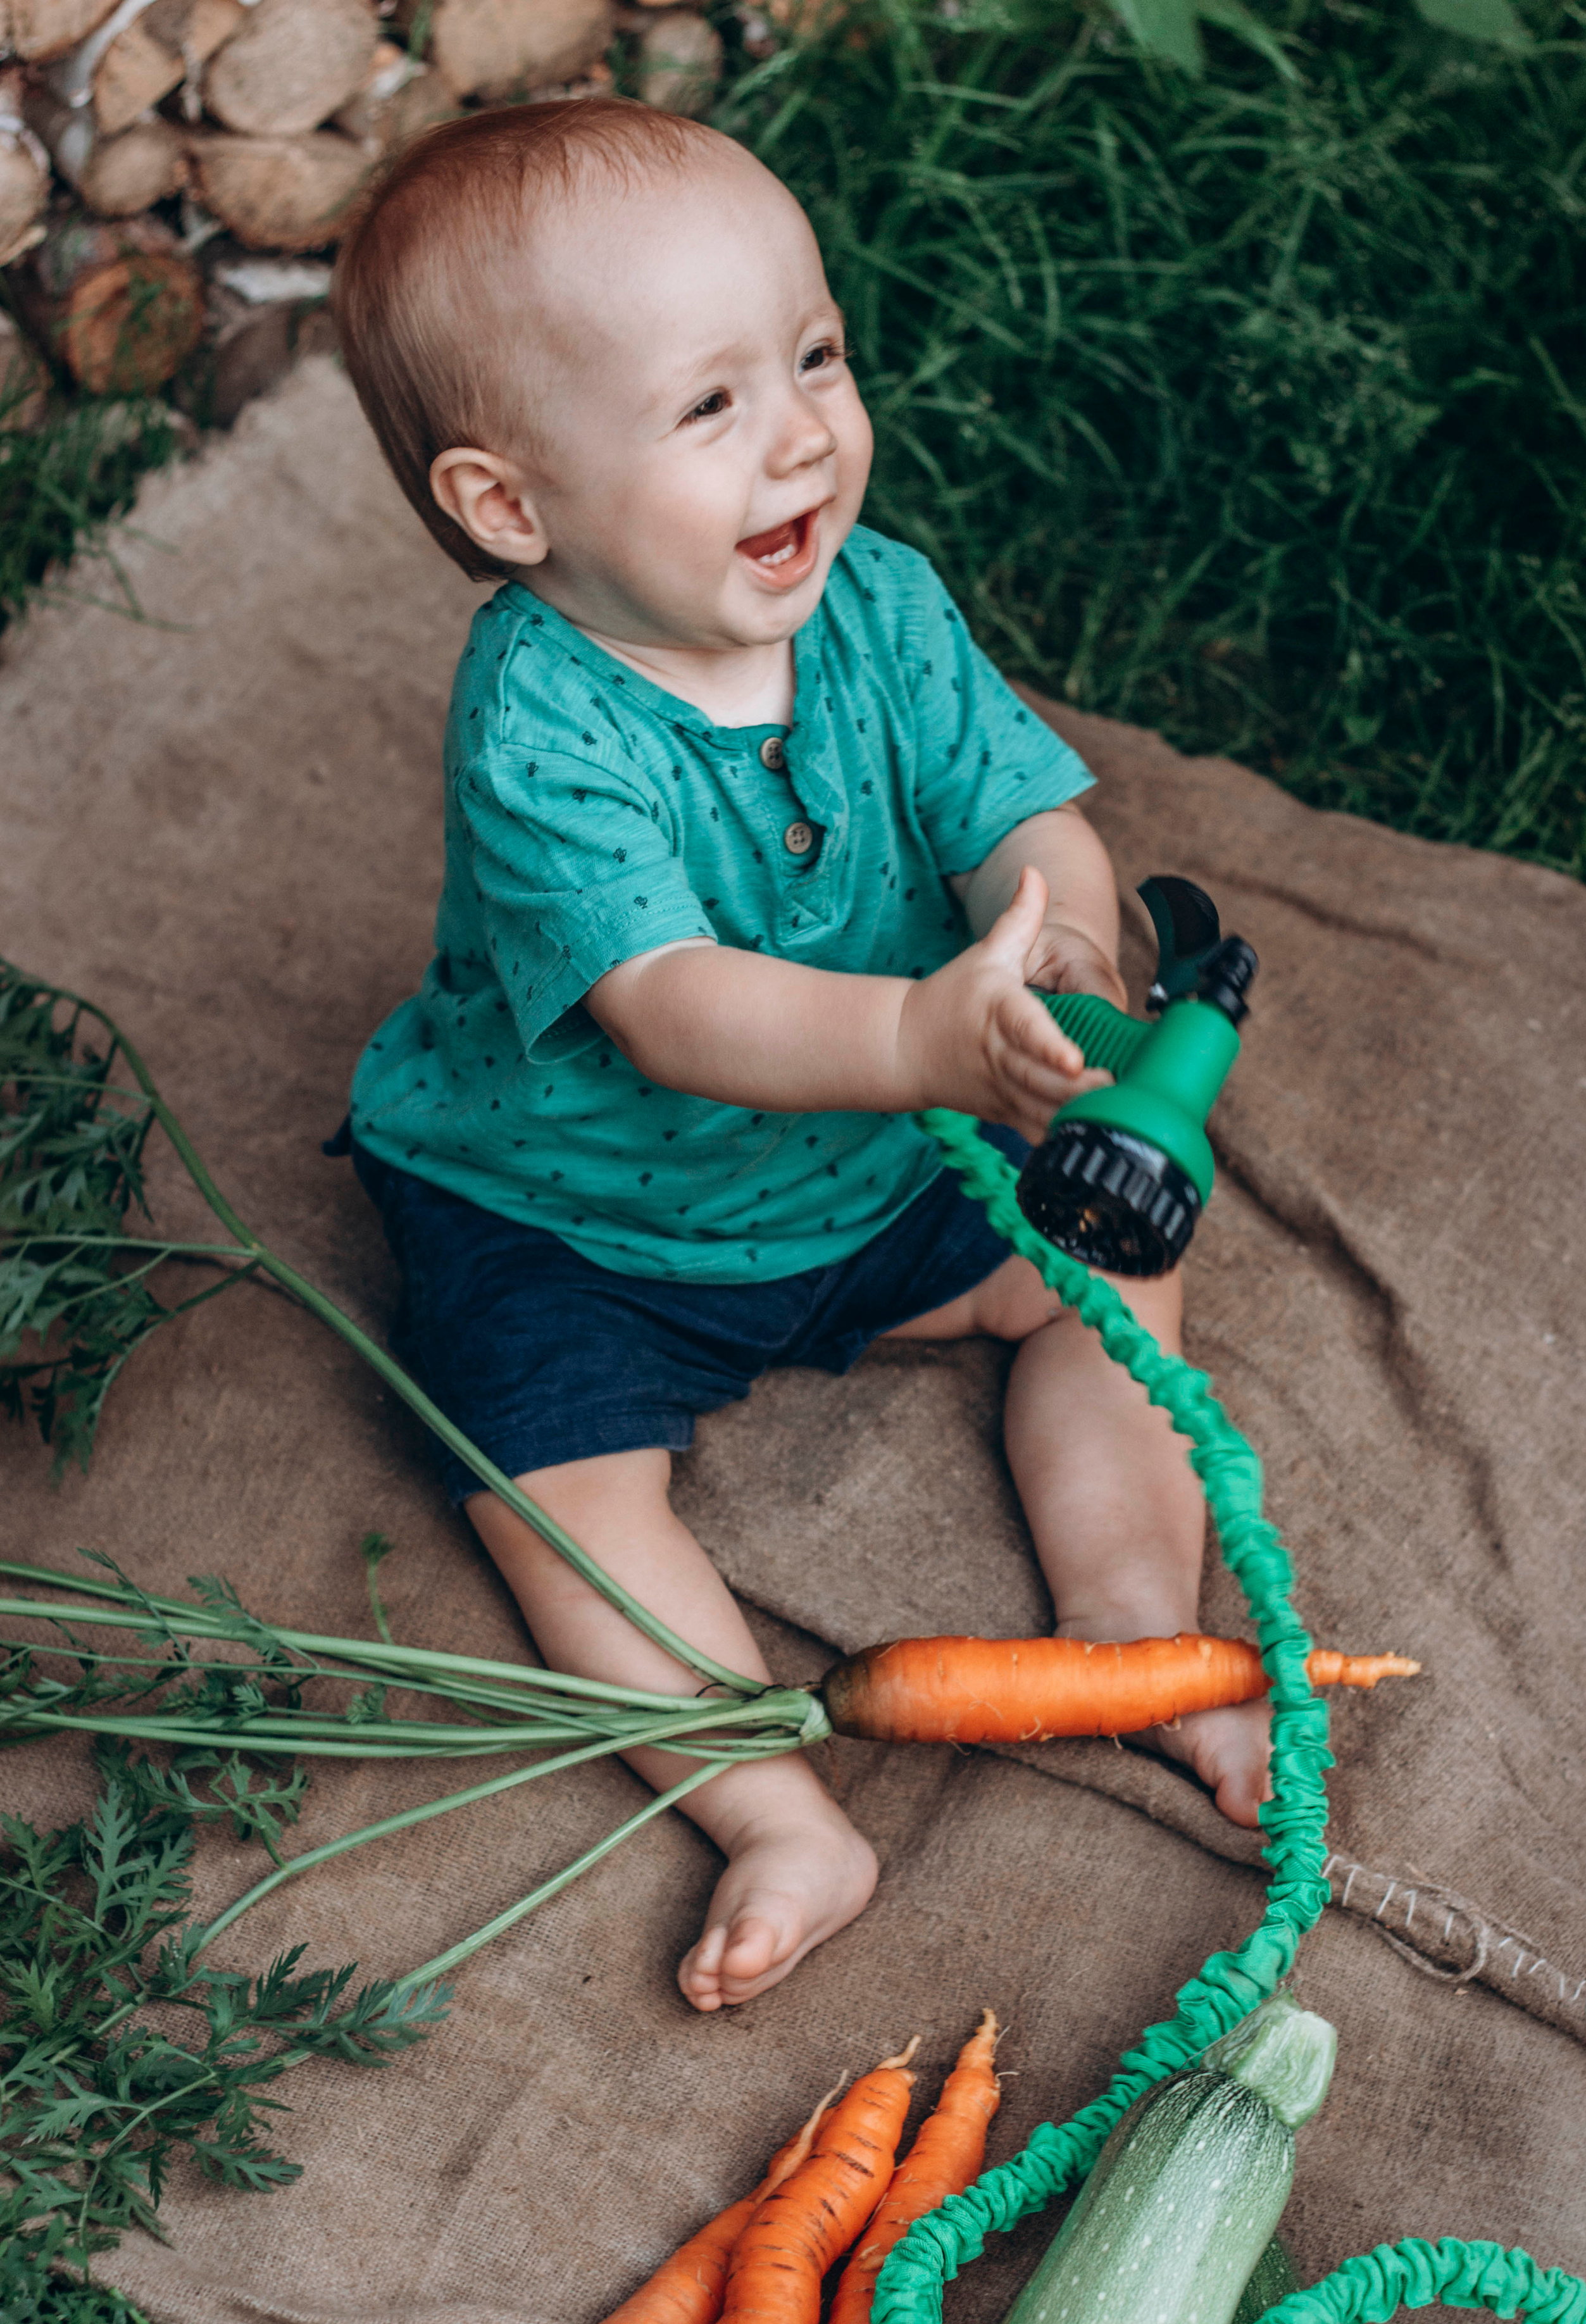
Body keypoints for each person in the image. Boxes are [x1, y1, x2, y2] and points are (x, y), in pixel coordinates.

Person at [330, 96, 1269, 2014]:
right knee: (543, 1485)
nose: (803, 435)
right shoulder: (540, 723)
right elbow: (670, 1003)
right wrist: (926, 1029)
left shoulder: (883, 603)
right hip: (585, 1213)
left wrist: (1061, 937)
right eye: (712, 404)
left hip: (889, 1162)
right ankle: (770, 1806)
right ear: (510, 509)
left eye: (818, 357)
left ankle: (1132, 1623)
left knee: (1105, 1280)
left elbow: (1017, 815)